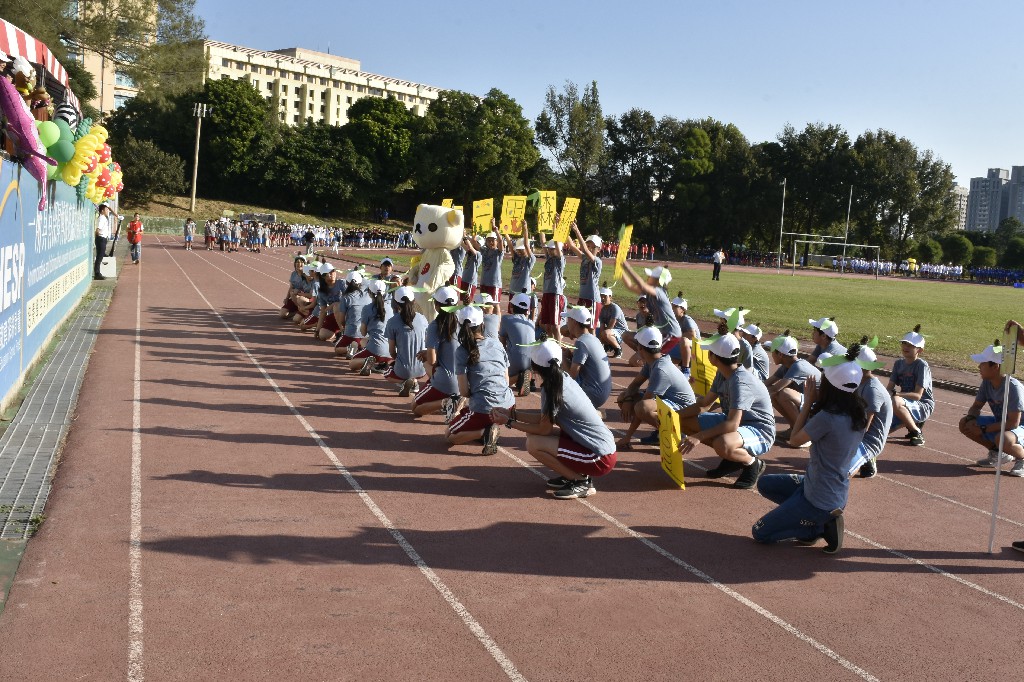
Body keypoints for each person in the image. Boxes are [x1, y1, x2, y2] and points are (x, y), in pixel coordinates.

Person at [751, 348, 869, 554]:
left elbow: (795, 440)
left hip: (818, 500)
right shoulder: (858, 413)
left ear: (830, 386)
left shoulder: (828, 417)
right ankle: (809, 518)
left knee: (760, 532)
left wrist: (808, 402)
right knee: (766, 484)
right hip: (826, 489)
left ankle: (817, 527)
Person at [491, 339, 618, 499]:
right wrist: (511, 414)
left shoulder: (552, 388)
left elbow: (544, 429)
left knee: (534, 444)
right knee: (533, 436)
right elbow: (544, 419)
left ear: (535, 366)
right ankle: (572, 475)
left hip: (600, 458)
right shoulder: (562, 377)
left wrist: (509, 422)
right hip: (599, 449)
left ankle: (580, 481)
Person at [679, 334, 775, 489]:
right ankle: (732, 458)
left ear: (713, 357)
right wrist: (672, 415)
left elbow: (732, 425)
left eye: (709, 352)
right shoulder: (722, 373)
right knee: (683, 421)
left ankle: (752, 463)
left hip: (760, 431)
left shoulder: (740, 382)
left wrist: (699, 436)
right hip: (736, 423)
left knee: (722, 444)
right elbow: (704, 404)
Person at [446, 305, 515, 456]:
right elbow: (506, 379)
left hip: (484, 408)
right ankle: (489, 427)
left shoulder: (461, 351)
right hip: (507, 405)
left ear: (460, 326)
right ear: (483, 324)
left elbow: (464, 391)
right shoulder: (497, 344)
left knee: (450, 435)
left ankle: (485, 432)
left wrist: (478, 392)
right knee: (477, 409)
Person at [616, 326, 696, 451]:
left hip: (685, 410)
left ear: (640, 348)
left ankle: (677, 435)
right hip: (670, 403)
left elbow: (644, 405)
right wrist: (627, 399)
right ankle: (660, 432)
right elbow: (634, 385)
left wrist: (628, 437)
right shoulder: (652, 361)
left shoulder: (661, 370)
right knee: (623, 397)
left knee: (642, 407)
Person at [960, 339, 1024, 477]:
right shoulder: (987, 382)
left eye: (982, 363)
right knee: (964, 423)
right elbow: (976, 407)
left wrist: (983, 429)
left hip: (1019, 426)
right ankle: (997, 452)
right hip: (1004, 424)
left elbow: (1013, 423)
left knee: (1004, 438)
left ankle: (1022, 458)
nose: (979, 367)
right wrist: (971, 418)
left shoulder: (1013, 387)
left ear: (995, 366)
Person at [846, 338, 893, 479]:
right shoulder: (857, 382)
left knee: (839, 473)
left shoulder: (872, 390)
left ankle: (867, 458)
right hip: (855, 433)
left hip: (869, 441)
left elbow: (864, 426)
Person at [412, 287, 461, 417]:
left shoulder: (435, 325)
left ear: (436, 305)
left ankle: (446, 402)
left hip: (446, 381)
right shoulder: (464, 322)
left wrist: (427, 354)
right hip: (465, 381)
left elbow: (432, 361)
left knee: (415, 408)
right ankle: (454, 400)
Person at [763, 331, 821, 438]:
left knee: (783, 393)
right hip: (809, 405)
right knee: (773, 393)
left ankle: (802, 433)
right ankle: (793, 428)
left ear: (780, 354)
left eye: (772, 351)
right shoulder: (787, 365)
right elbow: (766, 384)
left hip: (818, 410)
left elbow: (775, 389)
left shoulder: (798, 367)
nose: (771, 354)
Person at [887, 324, 933, 446]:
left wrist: (896, 394)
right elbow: (889, 388)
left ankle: (916, 431)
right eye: (904, 343)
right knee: (878, 431)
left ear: (920, 350)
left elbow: (918, 396)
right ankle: (910, 422)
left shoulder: (922, 365)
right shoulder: (898, 364)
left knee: (895, 400)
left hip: (922, 404)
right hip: (903, 403)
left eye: (911, 345)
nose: (906, 347)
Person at [383, 286, 429, 397]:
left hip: (403, 370)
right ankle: (414, 381)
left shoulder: (392, 321)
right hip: (422, 369)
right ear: (414, 301)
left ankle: (405, 381)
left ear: (396, 303)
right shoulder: (422, 318)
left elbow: (392, 351)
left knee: (386, 372)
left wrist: (398, 359)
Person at [563, 306, 612, 409]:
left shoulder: (581, 342)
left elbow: (572, 376)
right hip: (602, 392)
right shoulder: (593, 339)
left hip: (593, 394)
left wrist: (561, 357)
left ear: (574, 322)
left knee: (558, 375)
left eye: (568, 320)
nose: (567, 323)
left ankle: (588, 413)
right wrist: (570, 354)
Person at [351, 280, 393, 375]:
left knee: (352, 363)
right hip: (391, 351)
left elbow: (363, 332)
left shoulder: (367, 308)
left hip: (376, 349)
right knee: (363, 342)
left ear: (369, 293)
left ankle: (368, 361)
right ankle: (383, 364)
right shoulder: (390, 308)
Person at [500, 293, 537, 396]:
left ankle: (519, 377)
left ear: (511, 306)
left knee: (499, 384)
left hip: (515, 362)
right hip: (530, 363)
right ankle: (527, 377)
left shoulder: (506, 319)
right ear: (527, 310)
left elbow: (502, 342)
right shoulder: (531, 323)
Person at [567, 225, 602, 322]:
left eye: (593, 247)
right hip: (582, 298)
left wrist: (576, 230)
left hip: (592, 299)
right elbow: (572, 246)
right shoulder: (584, 258)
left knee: (590, 327)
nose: (590, 249)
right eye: (588, 246)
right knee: (577, 325)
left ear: (599, 249)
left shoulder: (597, 261)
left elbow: (584, 250)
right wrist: (562, 228)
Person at [332, 270, 370, 357]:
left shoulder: (346, 297)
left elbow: (341, 320)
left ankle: (349, 348)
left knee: (337, 349)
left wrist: (344, 327)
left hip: (351, 333)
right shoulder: (367, 295)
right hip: (366, 334)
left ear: (346, 283)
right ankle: (361, 349)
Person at [479, 230, 506, 311]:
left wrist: (496, 230)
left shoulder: (498, 252)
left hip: (494, 283)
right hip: (484, 282)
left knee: (495, 304)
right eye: (489, 240)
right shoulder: (484, 251)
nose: (491, 242)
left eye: (493, 240)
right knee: (483, 303)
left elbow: (501, 241)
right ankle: (486, 318)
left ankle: (496, 319)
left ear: (496, 241)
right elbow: (474, 243)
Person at [597, 287, 627, 359]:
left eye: (605, 297)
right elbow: (602, 326)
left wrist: (604, 336)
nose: (602, 299)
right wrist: (601, 341)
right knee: (594, 331)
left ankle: (618, 349)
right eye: (601, 297)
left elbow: (611, 325)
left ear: (610, 297)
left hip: (621, 332)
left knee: (605, 333)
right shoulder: (602, 309)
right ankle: (606, 346)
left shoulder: (615, 308)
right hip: (610, 332)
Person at [94, 204, 120, 280]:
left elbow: (115, 214)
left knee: (101, 255)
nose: (107, 211)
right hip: (101, 238)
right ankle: (97, 273)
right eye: (106, 209)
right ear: (102, 211)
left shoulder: (104, 217)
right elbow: (98, 229)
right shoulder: (102, 218)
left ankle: (98, 272)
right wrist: (99, 236)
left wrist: (109, 208)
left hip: (102, 238)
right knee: (99, 256)